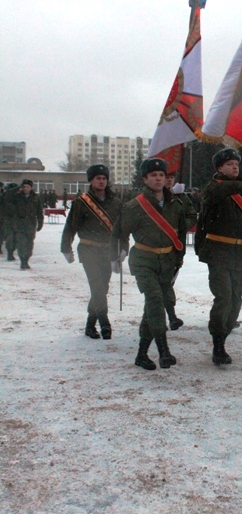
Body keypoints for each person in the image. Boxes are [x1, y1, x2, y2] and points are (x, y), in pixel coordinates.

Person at [110, 158, 187, 371]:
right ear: (145, 179)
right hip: (144, 260)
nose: (158, 178)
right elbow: (119, 233)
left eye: (161, 175)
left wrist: (178, 261)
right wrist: (118, 253)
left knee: (152, 308)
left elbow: (179, 234)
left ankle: (142, 354)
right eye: (153, 175)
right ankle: (164, 351)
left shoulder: (175, 204)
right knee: (154, 299)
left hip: (167, 261)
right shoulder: (135, 206)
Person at [195, 148, 242, 366]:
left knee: (236, 300)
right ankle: (218, 344)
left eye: (236, 163)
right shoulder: (214, 187)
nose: (235, 167)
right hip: (218, 251)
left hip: (241, 253)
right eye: (229, 164)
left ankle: (224, 333)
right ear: (219, 168)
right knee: (224, 297)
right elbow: (213, 195)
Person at [61, 164, 121, 339]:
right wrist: (66, 248)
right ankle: (104, 322)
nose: (101, 181)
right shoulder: (81, 202)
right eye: (98, 178)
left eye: (104, 178)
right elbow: (70, 227)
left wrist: (120, 250)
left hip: (107, 251)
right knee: (97, 285)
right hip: (88, 249)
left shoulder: (115, 203)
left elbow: (119, 229)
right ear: (91, 181)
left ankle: (89, 324)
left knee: (103, 287)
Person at [163, 169, 197, 330]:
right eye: (166, 177)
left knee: (168, 282)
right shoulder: (154, 198)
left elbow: (192, 217)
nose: (169, 180)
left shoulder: (182, 199)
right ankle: (170, 315)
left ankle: (162, 314)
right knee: (163, 284)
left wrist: (179, 225)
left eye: (171, 177)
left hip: (176, 247)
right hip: (156, 247)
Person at [10, 179, 44, 269]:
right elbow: (6, 199)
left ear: (31, 188)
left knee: (29, 244)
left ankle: (26, 259)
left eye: (27, 187)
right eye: (24, 186)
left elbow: (39, 212)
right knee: (21, 243)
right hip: (19, 223)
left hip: (31, 224)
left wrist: (40, 223)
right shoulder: (16, 197)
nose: (25, 188)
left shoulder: (36, 198)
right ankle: (23, 261)